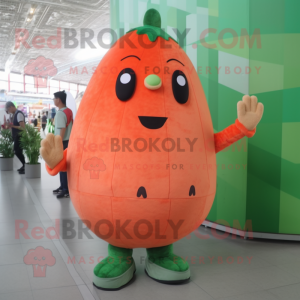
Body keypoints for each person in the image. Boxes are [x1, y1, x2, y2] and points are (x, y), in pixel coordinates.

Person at [52, 90, 73, 198]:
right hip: (69, 141)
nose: (53, 100)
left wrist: (58, 143)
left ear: (58, 100)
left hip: (62, 141)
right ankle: (63, 186)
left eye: (54, 98)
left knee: (62, 166)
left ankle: (65, 189)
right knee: (64, 166)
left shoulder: (60, 113)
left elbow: (62, 128)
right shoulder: (68, 111)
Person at [5, 101, 26, 174]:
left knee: (17, 151)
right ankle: (24, 165)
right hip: (16, 136)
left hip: (20, 136)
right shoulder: (14, 115)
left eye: (8, 110)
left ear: (11, 107)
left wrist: (12, 126)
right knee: (18, 151)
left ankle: (25, 166)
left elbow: (23, 127)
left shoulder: (19, 114)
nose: (9, 112)